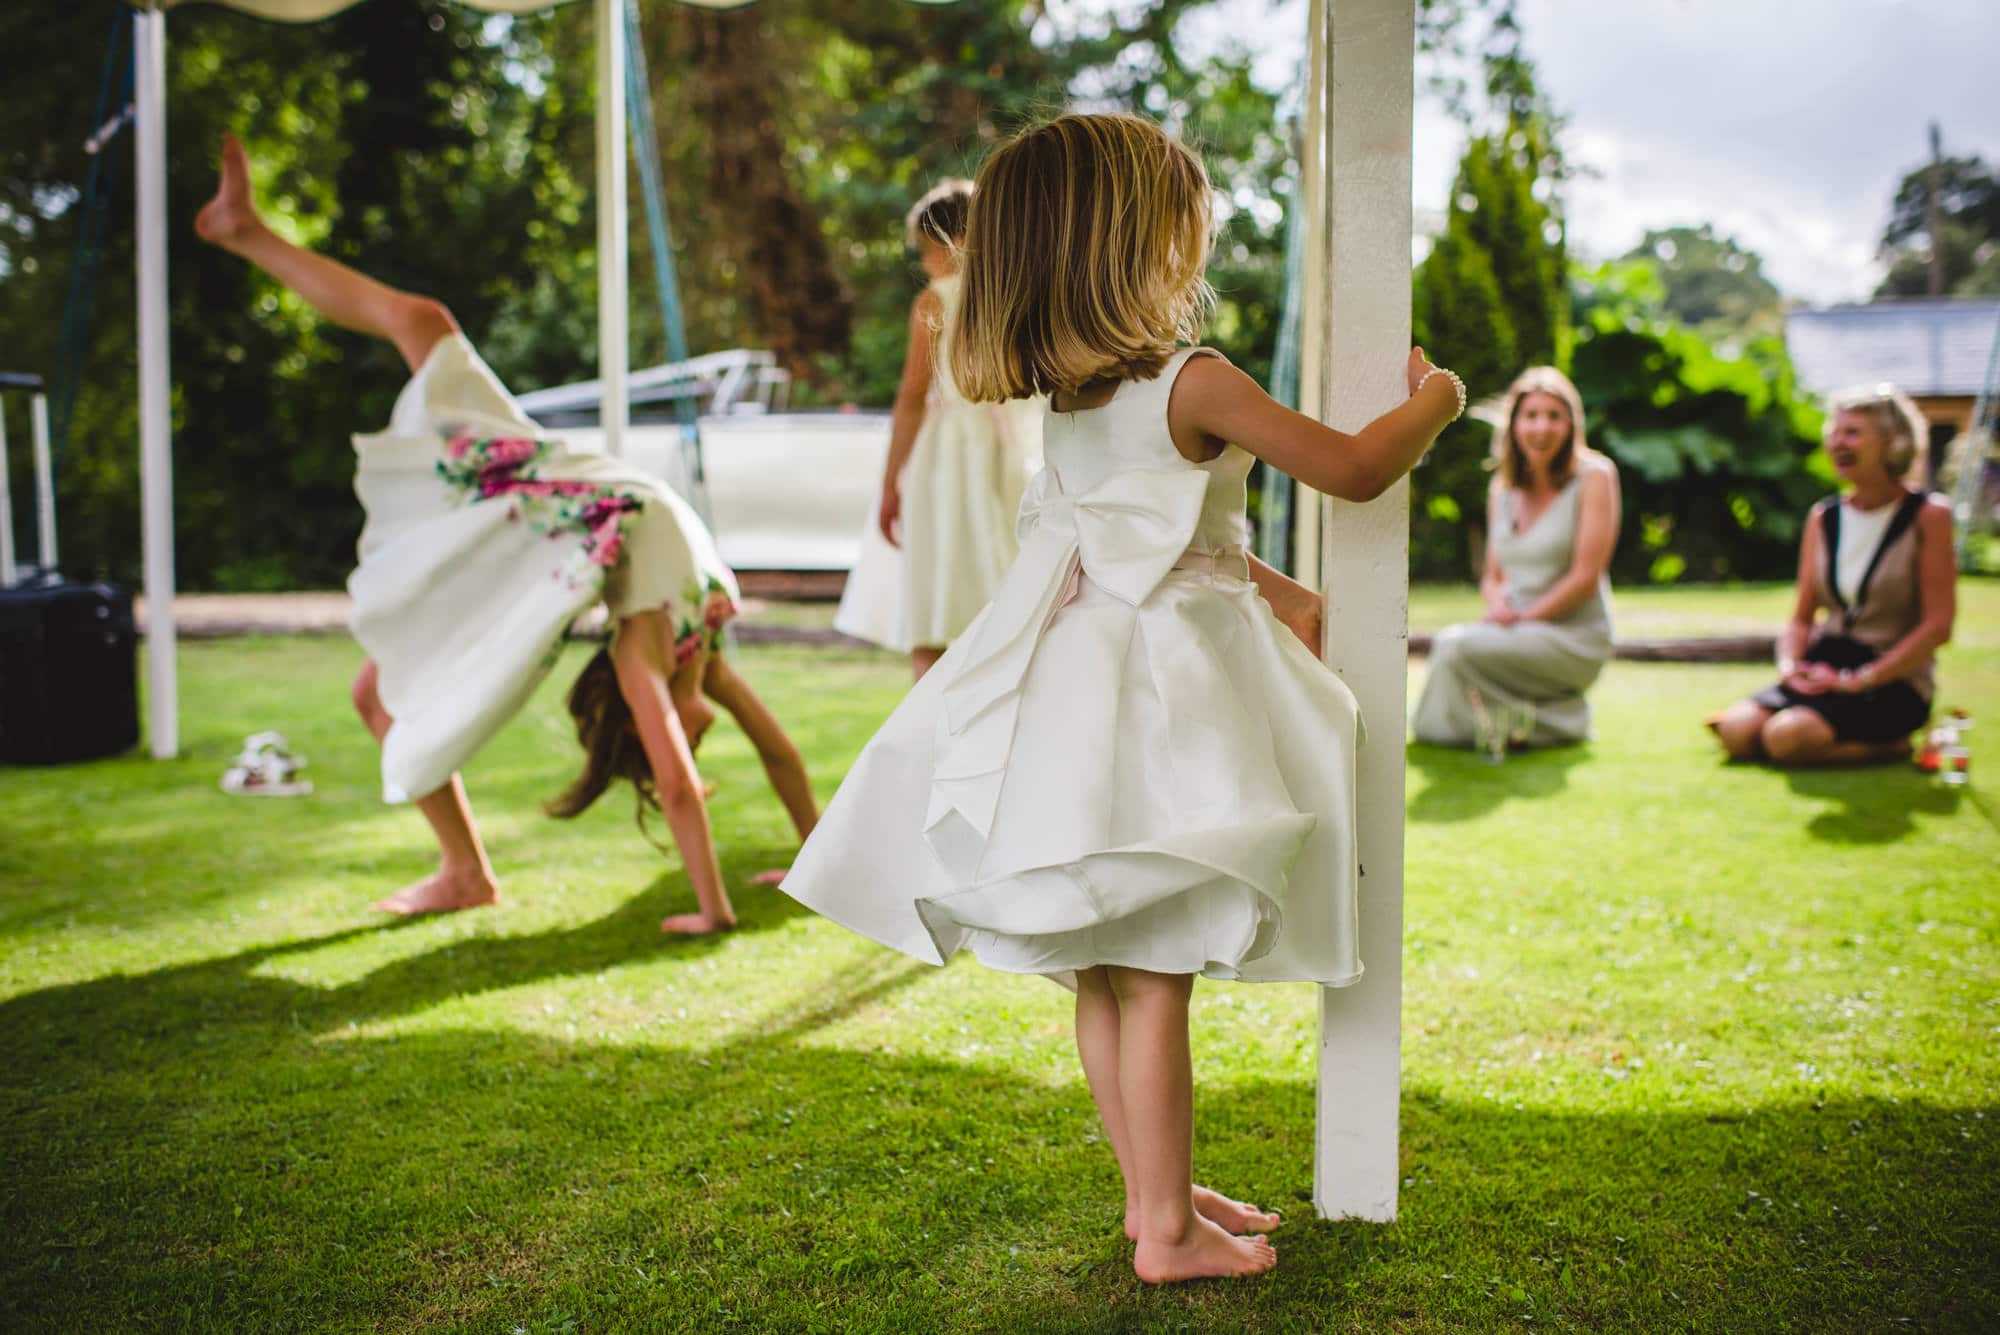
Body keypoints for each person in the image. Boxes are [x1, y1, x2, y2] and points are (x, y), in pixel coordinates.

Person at [777, 113, 1464, 1284]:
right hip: (1151, 702)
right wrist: (1439, 399)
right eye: (1183, 229)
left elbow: (1149, 531)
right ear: (1136, 243)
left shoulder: (1076, 403)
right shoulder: (1192, 379)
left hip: (1074, 692)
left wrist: (1289, 597)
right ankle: (1163, 1232)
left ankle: (1156, 1195)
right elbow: (1352, 467)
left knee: (1106, 972)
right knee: (1147, 975)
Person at [195, 134, 816, 931]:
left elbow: (705, 776)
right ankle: (463, 868)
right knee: (422, 320)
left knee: (375, 687)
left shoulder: (642, 655)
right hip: (560, 493)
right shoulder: (705, 649)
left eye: (682, 751)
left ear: (638, 718)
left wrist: (715, 911)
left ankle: (462, 869)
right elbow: (778, 755)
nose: (696, 750)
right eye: (689, 748)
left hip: (550, 524)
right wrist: (804, 859)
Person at [835, 179, 1041, 680]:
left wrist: (891, 484)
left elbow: (911, 397)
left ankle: (928, 733)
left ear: (943, 244)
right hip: (1010, 455)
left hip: (949, 457)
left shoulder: (936, 302)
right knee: (1008, 588)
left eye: (924, 250)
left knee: (934, 605)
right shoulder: (1019, 296)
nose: (923, 262)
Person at [1708, 384, 1956, 766]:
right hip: (1826, 665)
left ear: (1893, 442)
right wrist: (1790, 667)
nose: (1838, 443)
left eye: (1853, 433)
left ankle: (1894, 743)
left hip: (1890, 679)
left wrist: (1860, 680)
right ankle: (1797, 731)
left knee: (1786, 738)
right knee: (1738, 732)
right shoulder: (1824, 518)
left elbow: (1938, 627)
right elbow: (1802, 616)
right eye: (1835, 432)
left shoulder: (1929, 516)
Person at [1410, 366, 1620, 750]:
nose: (1542, 427)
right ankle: (1557, 719)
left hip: (1573, 637)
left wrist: (1522, 618)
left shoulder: (1596, 476)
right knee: (1454, 653)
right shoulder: (1502, 487)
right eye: (1531, 415)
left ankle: (1451, 732)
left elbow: (1585, 577)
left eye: (1554, 416)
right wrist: (1497, 605)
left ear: (1572, 424)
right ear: (1514, 424)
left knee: (1454, 647)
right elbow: (1492, 574)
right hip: (1515, 630)